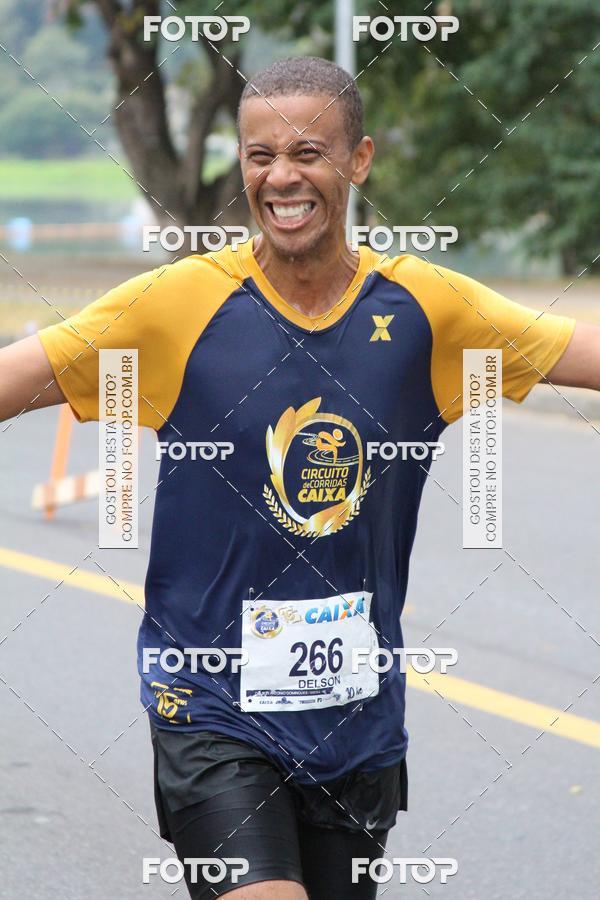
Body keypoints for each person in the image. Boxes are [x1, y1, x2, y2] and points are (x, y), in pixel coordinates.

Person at [1, 56, 598, 900]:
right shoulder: (177, 308)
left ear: (359, 160)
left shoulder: (428, 311)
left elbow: (577, 351)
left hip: (356, 724)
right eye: (259, 156)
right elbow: (16, 378)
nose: (281, 176)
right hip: (210, 707)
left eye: (309, 152)